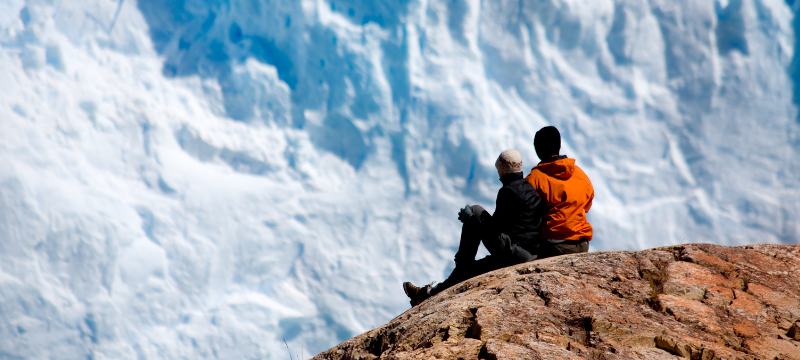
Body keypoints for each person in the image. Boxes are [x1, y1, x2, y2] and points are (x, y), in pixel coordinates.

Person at [403, 150, 544, 306]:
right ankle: (429, 293)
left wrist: (471, 219)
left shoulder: (508, 192)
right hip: (528, 253)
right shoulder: (528, 188)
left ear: (501, 168)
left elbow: (495, 229)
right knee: (471, 270)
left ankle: (457, 268)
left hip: (515, 254)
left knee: (475, 212)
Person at [525, 126, 594, 259]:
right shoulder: (579, 173)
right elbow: (587, 205)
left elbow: (526, 215)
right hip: (582, 244)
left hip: (554, 246)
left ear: (537, 149)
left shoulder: (534, 178)